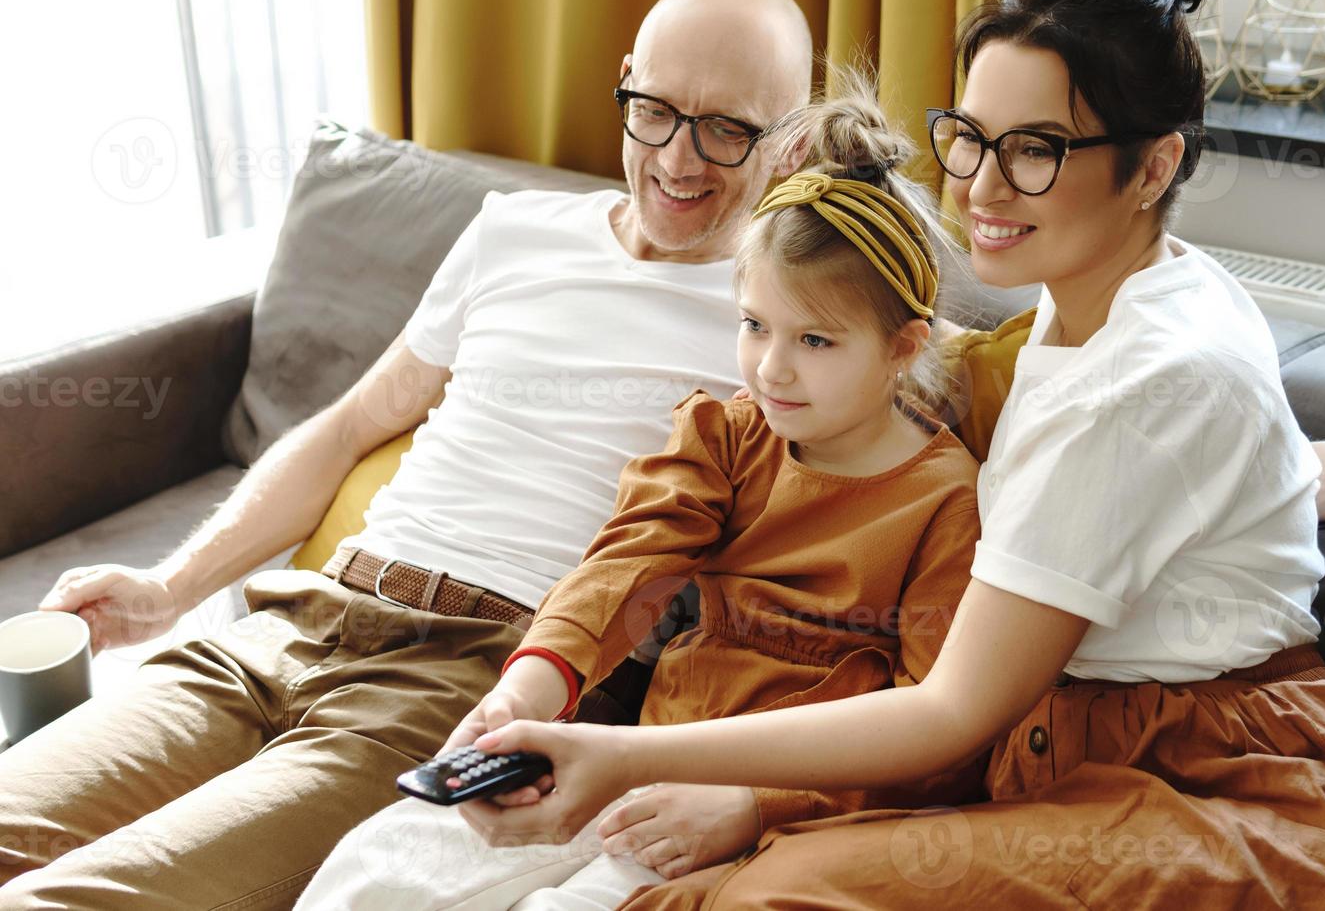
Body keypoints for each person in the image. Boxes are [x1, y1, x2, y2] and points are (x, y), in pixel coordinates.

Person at [453, 0, 1325, 909]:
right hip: (1088, 743)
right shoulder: (1100, 302)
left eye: (1034, 150)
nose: (979, 185)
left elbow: (952, 709)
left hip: (1223, 784)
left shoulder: (1151, 364)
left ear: (1155, 166)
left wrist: (619, 751)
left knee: (773, 888)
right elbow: (1171, 482)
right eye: (972, 136)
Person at [0, 0, 813, 910]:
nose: (679, 159)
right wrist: (170, 588)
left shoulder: (789, 328)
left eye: (727, 128)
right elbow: (352, 424)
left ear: (790, 143)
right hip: (290, 626)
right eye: (657, 111)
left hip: (468, 682)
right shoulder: (512, 232)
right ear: (624, 83)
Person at [298, 70, 994, 911]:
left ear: (902, 346)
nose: (771, 368)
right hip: (641, 756)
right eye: (753, 326)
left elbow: (935, 734)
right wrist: (528, 687)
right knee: (373, 870)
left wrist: (752, 804)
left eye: (814, 339)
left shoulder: (947, 501)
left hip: (783, 813)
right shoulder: (729, 434)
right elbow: (623, 565)